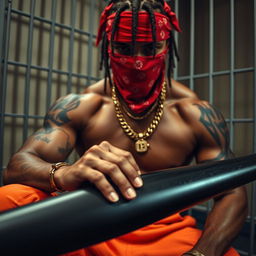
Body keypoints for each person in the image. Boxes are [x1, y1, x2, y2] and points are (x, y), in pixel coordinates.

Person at [0, 0, 247, 256]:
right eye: (123, 48)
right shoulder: (82, 106)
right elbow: (18, 166)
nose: (137, 62)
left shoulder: (195, 113)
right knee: (10, 197)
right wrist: (65, 173)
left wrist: (202, 253)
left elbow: (232, 192)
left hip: (163, 231)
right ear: (108, 47)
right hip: (88, 220)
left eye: (151, 48)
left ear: (167, 45)